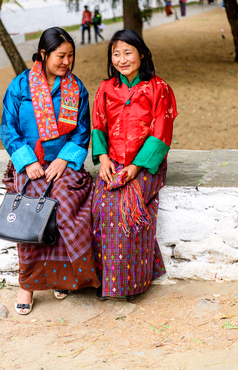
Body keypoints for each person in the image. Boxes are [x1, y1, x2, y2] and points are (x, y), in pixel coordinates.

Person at [0, 27, 100, 314]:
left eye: (71, 56)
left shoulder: (76, 88)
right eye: (60, 55)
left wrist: (65, 161)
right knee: (31, 209)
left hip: (61, 164)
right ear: (43, 54)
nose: (66, 61)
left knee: (65, 203)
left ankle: (61, 277)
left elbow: (82, 131)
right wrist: (29, 162)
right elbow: (9, 128)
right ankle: (27, 285)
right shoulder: (20, 86)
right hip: (29, 163)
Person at [91, 29, 177, 300]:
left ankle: (131, 283)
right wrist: (103, 159)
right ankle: (104, 281)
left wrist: (135, 168)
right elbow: (98, 126)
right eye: (116, 53)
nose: (122, 59)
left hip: (145, 165)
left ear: (141, 53)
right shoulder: (106, 88)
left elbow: (161, 132)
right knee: (99, 206)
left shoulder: (158, 88)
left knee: (127, 208)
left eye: (128, 52)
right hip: (113, 161)